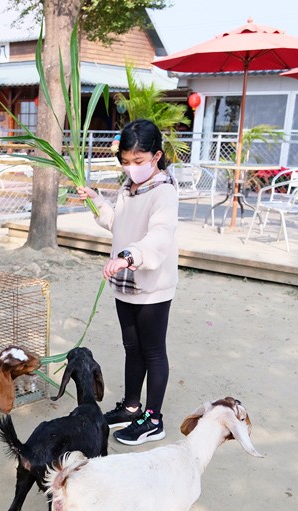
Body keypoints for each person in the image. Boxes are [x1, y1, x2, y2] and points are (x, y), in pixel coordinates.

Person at [76, 119, 180, 446]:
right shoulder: (128, 188)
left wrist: (129, 257)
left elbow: (159, 238)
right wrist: (96, 202)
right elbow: (118, 224)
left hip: (151, 286)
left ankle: (154, 419)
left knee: (152, 351)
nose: (132, 167)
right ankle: (132, 407)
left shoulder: (163, 191)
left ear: (156, 156)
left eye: (139, 161)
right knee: (131, 348)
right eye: (126, 161)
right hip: (125, 283)